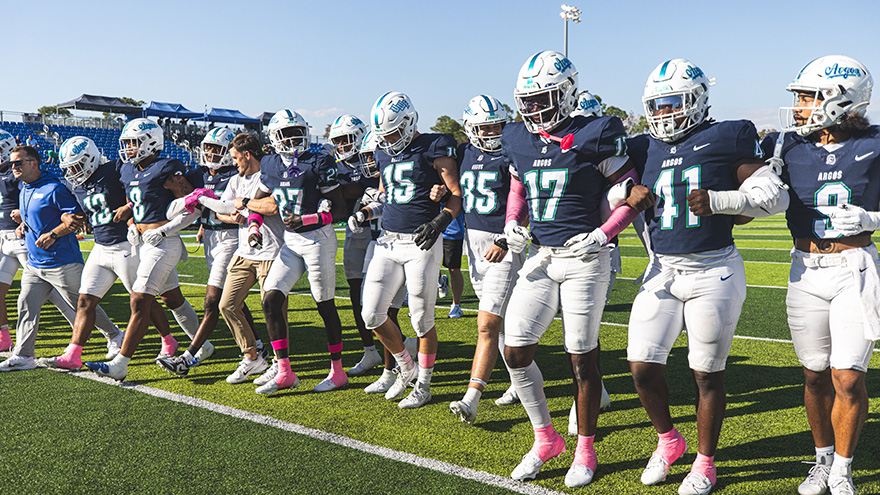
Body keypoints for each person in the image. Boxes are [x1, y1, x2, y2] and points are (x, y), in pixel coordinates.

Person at [627, 59, 788, 495]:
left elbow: (771, 197)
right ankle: (668, 441)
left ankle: (706, 461)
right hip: (661, 269)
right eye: (656, 106)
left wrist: (720, 200)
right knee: (642, 367)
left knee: (706, 373)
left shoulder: (724, 135)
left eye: (672, 103)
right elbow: (608, 186)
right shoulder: (644, 147)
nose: (663, 113)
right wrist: (624, 192)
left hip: (714, 268)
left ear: (697, 100)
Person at [500, 51, 649, 487]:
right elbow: (518, 185)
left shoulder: (596, 132)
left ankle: (585, 448)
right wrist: (513, 222)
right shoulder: (518, 138)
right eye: (525, 100)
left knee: (581, 357)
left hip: (585, 257)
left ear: (565, 93)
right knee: (516, 351)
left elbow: (631, 193)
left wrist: (604, 234)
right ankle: (545, 438)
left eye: (540, 98)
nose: (531, 109)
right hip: (542, 255)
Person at [763, 55, 877, 495]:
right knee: (814, 374)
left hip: (855, 268)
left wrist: (872, 216)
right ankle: (821, 460)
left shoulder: (875, 143)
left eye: (808, 96)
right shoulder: (787, 145)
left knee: (848, 375)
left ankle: (844, 469)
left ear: (839, 99)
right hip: (805, 269)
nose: (798, 106)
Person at [357, 91, 462, 409]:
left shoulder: (434, 145)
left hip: (422, 241)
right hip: (387, 241)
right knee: (371, 314)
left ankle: (424, 385)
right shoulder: (383, 152)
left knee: (421, 319)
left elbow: (456, 195)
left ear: (408, 121)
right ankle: (406, 367)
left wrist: (441, 219)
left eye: (392, 132)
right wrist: (368, 213)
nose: (388, 140)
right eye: (383, 135)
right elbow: (386, 196)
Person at [39, 137, 180, 370]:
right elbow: (77, 215)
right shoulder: (77, 185)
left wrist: (130, 206)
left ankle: (168, 340)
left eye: (76, 166)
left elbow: (139, 187)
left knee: (142, 301)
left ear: (90, 158)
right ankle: (74, 354)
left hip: (127, 246)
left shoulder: (115, 168)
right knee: (85, 301)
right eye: (69, 169)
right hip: (100, 246)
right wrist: (63, 222)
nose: (74, 173)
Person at [84, 118, 204, 380]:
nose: (128, 148)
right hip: (142, 242)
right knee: (171, 299)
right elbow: (135, 199)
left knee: (139, 299)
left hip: (164, 242)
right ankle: (202, 344)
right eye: (126, 143)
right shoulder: (128, 170)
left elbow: (194, 205)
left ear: (151, 142)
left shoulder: (167, 168)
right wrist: (130, 217)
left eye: (133, 142)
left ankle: (120, 364)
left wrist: (165, 229)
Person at [159, 132, 281, 381]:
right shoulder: (204, 174)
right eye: (208, 148)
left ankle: (190, 355)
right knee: (231, 301)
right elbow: (217, 207)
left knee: (214, 301)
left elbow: (234, 208)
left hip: (235, 241)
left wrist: (206, 202)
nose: (211, 154)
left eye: (218, 149)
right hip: (215, 240)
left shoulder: (240, 176)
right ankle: (256, 347)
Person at [244, 109, 348, 395]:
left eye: (296, 132)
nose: (293, 139)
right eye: (286, 134)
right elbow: (256, 202)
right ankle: (285, 371)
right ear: (274, 138)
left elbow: (340, 209)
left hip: (318, 239)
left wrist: (309, 219)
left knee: (324, 305)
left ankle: (337, 372)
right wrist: (254, 226)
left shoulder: (318, 161)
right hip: (291, 242)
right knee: (271, 299)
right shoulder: (270, 164)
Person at [437, 94, 525, 425]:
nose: (492, 133)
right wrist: (440, 192)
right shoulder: (464, 152)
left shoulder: (513, 152)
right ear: (471, 129)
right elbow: (455, 189)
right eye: (485, 127)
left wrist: (507, 238)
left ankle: (471, 397)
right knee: (503, 326)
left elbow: (527, 201)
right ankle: (521, 382)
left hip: (504, 243)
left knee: (487, 323)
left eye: (497, 126)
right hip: (474, 245)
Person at [0, 146, 122, 371]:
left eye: (19, 163)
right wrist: (24, 226)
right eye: (12, 163)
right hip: (35, 263)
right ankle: (24, 354)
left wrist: (53, 234)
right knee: (25, 305)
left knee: (83, 305)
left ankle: (115, 335)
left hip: (62, 262)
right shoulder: (25, 187)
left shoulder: (54, 188)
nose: (14, 167)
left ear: (34, 164)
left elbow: (77, 218)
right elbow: (38, 215)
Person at [348, 131, 416, 392]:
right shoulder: (376, 184)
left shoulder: (398, 179)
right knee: (374, 311)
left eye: (372, 155)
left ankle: (395, 369)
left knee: (389, 311)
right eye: (366, 157)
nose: (370, 162)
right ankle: (399, 360)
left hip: (402, 246)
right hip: (379, 248)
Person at [328, 114, 384, 375]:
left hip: (380, 232)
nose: (341, 145)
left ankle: (396, 349)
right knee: (355, 294)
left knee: (381, 297)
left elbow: (357, 189)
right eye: (337, 141)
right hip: (355, 233)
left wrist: (341, 189)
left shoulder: (374, 158)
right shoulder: (337, 166)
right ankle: (370, 352)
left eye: (345, 139)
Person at [439, 210, 465, 318]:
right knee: (427, 266)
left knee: (453, 268)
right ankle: (440, 281)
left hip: (452, 231)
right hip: (430, 229)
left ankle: (456, 305)